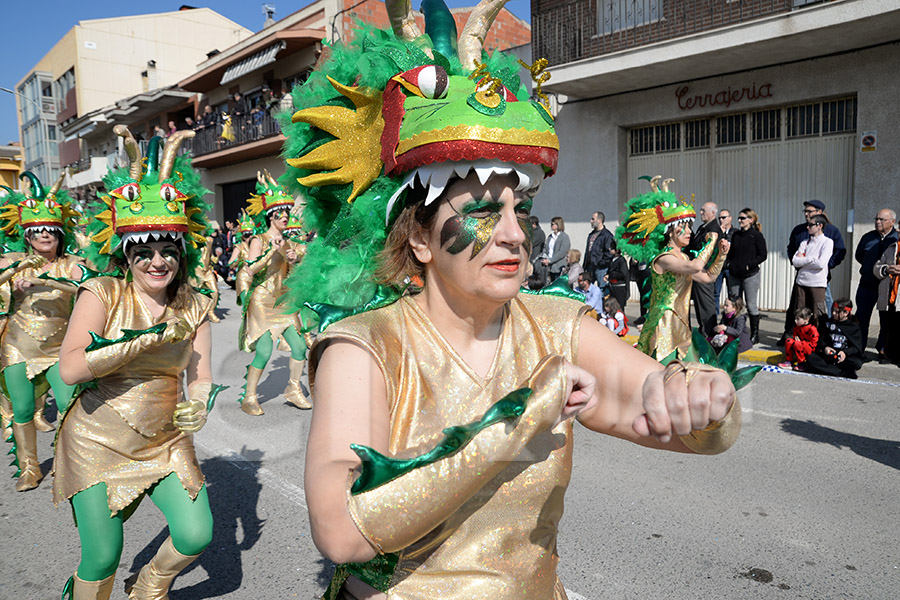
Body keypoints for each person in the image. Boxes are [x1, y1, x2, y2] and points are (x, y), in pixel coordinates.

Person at [280, 14, 743, 599]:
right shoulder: (364, 346)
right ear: (418, 239)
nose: (513, 235)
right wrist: (511, 424)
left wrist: (704, 399)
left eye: (516, 211)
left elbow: (677, 422)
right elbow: (342, 532)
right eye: (480, 213)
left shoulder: (556, 326)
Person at [54, 127, 220, 598]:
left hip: (166, 440)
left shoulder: (197, 304)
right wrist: (143, 340)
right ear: (126, 254)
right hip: (97, 440)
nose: (156, 262)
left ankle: (150, 584)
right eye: (143, 251)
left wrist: (199, 404)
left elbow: (201, 375)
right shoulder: (102, 292)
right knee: (102, 557)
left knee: (196, 534)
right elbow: (70, 369)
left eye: (167, 250)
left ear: (181, 252)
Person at [0, 172, 82, 492]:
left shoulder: (72, 263)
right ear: (28, 236)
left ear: (61, 234)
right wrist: (17, 271)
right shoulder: (14, 261)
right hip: (19, 345)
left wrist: (43, 282)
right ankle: (30, 467)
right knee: (21, 409)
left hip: (61, 347)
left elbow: (85, 289)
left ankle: (68, 462)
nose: (45, 235)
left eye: (50, 230)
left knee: (69, 407)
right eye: (38, 231)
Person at [618, 178, 728, 360]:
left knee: (688, 374)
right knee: (662, 376)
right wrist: (711, 241)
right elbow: (696, 265)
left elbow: (708, 277)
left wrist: (721, 255)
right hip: (663, 326)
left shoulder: (683, 257)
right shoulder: (664, 258)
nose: (689, 232)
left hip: (681, 325)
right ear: (670, 231)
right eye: (683, 228)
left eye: (689, 228)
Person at [238, 170, 309, 414]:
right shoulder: (258, 239)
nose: (286, 217)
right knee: (265, 351)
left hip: (283, 300)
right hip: (262, 300)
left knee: (299, 348)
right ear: (272, 215)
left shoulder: (288, 241)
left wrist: (294, 256)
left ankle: (293, 389)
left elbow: (297, 260)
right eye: (282, 214)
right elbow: (249, 269)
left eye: (288, 214)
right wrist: (270, 252)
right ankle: (249, 397)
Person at [780, 199, 846, 344]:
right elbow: (793, 252)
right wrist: (806, 262)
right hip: (802, 275)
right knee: (796, 306)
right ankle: (790, 333)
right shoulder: (800, 231)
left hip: (820, 277)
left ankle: (822, 336)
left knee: (821, 306)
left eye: (810, 211)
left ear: (820, 213)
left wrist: (828, 264)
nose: (806, 215)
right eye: (805, 211)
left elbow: (837, 253)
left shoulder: (831, 232)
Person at [854, 209, 897, 353]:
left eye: (882, 220)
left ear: (892, 222)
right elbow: (859, 256)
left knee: (886, 321)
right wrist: (869, 268)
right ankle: (859, 350)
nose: (878, 222)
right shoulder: (868, 237)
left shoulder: (896, 239)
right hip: (867, 285)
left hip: (887, 287)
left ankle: (882, 350)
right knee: (862, 319)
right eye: (876, 219)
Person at [726, 208, 767, 344]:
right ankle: (736, 331)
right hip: (735, 275)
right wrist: (730, 264)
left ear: (751, 220)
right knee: (735, 304)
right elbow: (731, 254)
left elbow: (763, 255)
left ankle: (755, 334)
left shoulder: (756, 236)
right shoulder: (736, 235)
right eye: (739, 218)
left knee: (751, 305)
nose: (740, 221)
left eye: (743, 218)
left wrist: (750, 265)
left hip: (750, 275)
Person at [687, 201, 724, 337]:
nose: (701, 213)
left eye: (704, 211)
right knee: (699, 307)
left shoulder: (713, 230)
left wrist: (701, 268)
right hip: (696, 273)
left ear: (713, 213)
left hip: (703, 274)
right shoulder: (704, 227)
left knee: (706, 309)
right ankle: (704, 333)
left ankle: (710, 336)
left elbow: (708, 253)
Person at [803, 299, 864, 378]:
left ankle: (829, 370)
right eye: (833, 310)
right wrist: (825, 348)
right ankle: (839, 372)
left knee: (855, 363)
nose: (833, 313)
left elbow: (856, 347)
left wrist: (845, 353)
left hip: (844, 356)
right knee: (811, 357)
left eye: (837, 312)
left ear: (846, 313)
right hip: (830, 354)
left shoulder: (853, 327)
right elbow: (820, 339)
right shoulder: (827, 323)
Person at [791, 214, 833, 319]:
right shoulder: (805, 243)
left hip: (817, 283)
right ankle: (800, 334)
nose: (807, 227)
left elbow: (820, 264)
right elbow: (795, 261)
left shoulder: (827, 242)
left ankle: (818, 335)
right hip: (801, 282)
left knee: (817, 313)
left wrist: (804, 259)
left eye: (811, 225)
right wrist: (811, 259)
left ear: (820, 226)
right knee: (800, 312)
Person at [873, 232, 900, 363]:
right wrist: (887, 269)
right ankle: (884, 352)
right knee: (886, 325)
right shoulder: (891, 248)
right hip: (888, 296)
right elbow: (876, 267)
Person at [583, 211, 614, 291]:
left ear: (599, 220)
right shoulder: (591, 234)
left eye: (593, 219)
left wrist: (601, 264)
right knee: (588, 290)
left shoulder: (607, 235)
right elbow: (588, 251)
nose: (591, 221)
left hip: (601, 268)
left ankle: (602, 304)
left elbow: (609, 253)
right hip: (590, 267)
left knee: (602, 290)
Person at [715, 209, 734, 312]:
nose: (721, 220)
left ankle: (731, 315)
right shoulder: (716, 232)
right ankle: (714, 316)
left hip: (730, 267)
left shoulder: (735, 232)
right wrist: (720, 234)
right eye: (719, 218)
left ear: (730, 218)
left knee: (732, 293)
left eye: (723, 217)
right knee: (715, 292)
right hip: (719, 266)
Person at [542, 216, 570, 281]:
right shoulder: (550, 236)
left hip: (558, 266)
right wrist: (545, 258)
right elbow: (545, 248)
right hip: (549, 266)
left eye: (553, 224)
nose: (551, 225)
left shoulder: (564, 237)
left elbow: (562, 252)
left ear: (558, 225)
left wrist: (550, 260)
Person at [605, 242, 630, 310]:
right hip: (612, 286)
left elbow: (623, 274)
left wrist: (610, 276)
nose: (610, 250)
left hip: (619, 287)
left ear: (617, 250)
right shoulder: (612, 259)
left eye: (612, 248)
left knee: (619, 306)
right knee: (612, 306)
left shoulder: (621, 260)